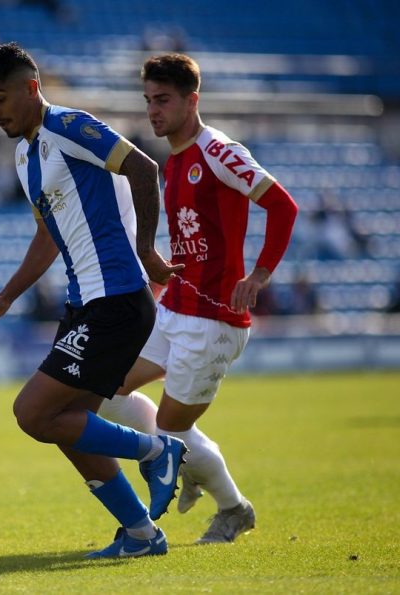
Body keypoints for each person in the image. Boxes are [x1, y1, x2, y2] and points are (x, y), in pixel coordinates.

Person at [0, 43, 186, 559]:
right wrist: (7, 296)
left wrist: (147, 248)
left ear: (31, 88)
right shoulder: (25, 153)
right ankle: (142, 534)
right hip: (85, 303)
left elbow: (143, 167)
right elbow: (48, 234)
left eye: (0, 98)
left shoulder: (69, 126)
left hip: (118, 299)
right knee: (70, 428)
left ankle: (158, 449)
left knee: (31, 413)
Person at [98, 53, 299, 544]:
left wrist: (261, 273)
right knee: (105, 389)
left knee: (171, 433)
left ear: (193, 100)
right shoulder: (174, 160)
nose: (153, 111)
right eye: (147, 100)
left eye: (163, 100)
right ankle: (190, 469)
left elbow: (282, 205)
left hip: (214, 320)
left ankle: (232, 509)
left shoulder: (219, 151)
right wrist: (165, 276)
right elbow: (196, 239)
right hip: (176, 308)